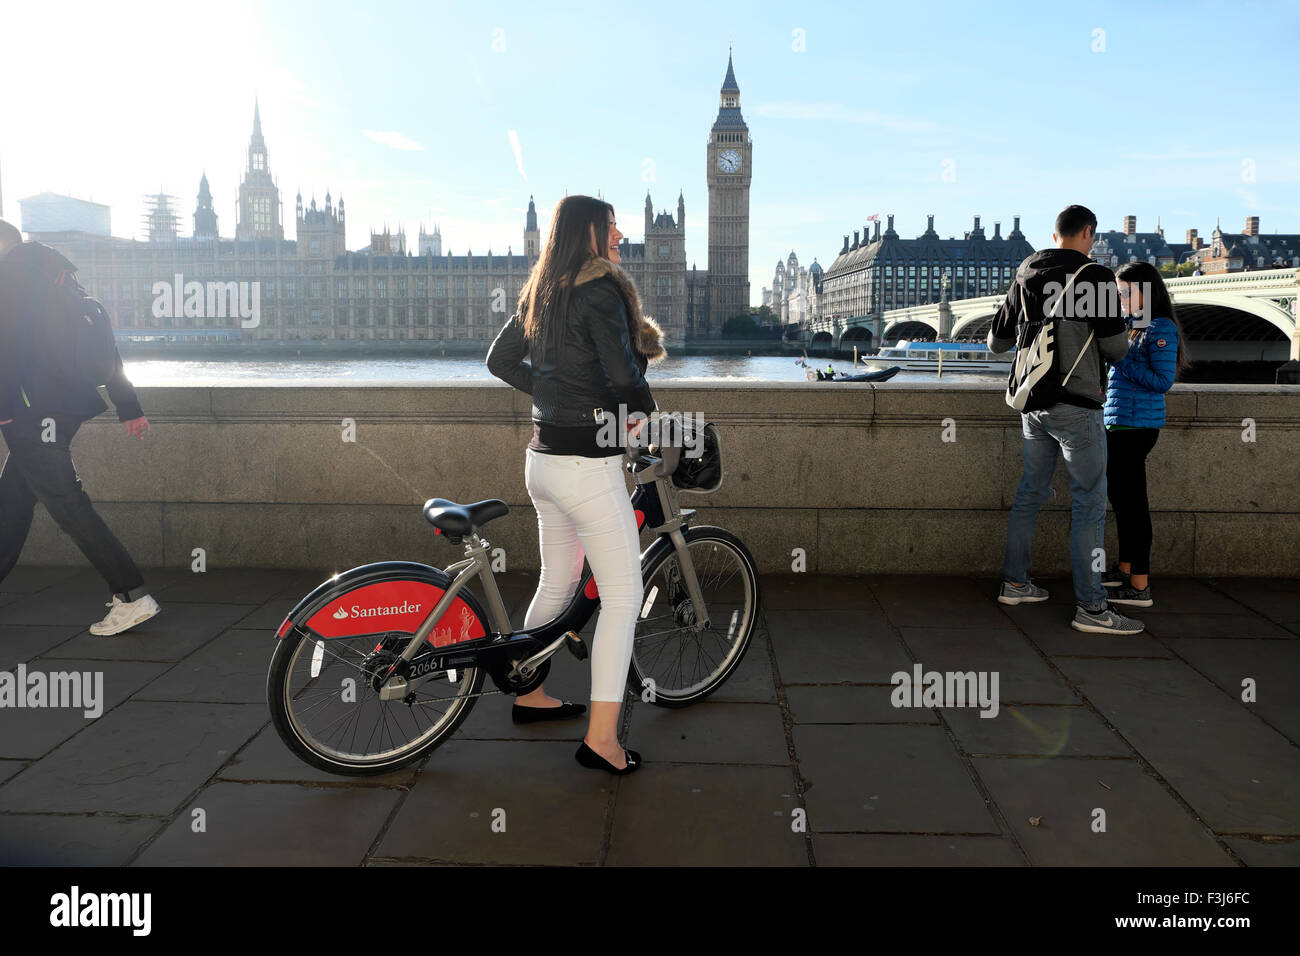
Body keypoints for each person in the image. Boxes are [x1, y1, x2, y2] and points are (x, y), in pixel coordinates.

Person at [486, 195, 666, 775]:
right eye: (610, 226)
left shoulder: (542, 287)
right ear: (589, 231)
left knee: (558, 582)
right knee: (622, 598)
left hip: (542, 462)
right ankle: (603, 741)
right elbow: (623, 374)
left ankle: (528, 690)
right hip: (586, 467)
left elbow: (499, 358)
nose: (619, 234)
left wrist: (551, 395)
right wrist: (649, 415)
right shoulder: (600, 288)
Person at [987, 205, 1145, 634]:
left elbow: (997, 342)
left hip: (1030, 403)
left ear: (1054, 233)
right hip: (1076, 403)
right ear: (1087, 234)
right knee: (1090, 504)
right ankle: (1092, 609)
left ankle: (1015, 583)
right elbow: (1115, 349)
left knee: (1029, 493)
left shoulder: (1025, 270)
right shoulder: (1094, 276)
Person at [0, 219, 160, 635]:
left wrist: (3, 411)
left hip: (32, 414)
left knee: (69, 506)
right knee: (11, 503)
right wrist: (128, 406)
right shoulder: (60, 277)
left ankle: (132, 595)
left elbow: (6, 348)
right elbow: (105, 341)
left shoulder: (11, 277)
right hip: (64, 407)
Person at [1100, 261, 1188, 607]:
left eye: (1125, 291)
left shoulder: (1160, 327)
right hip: (1120, 423)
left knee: (1134, 506)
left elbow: (1162, 382)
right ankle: (1124, 570)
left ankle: (1139, 586)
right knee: (1123, 503)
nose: (1120, 297)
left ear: (1145, 291)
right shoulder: (1134, 326)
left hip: (1137, 428)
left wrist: (1119, 357)